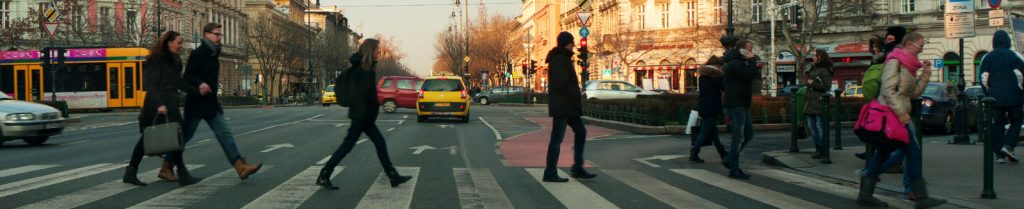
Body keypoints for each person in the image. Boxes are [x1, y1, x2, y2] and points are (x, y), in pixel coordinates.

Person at [163, 23, 262, 182]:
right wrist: (200, 83)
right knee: (184, 137)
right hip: (196, 105)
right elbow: (188, 77)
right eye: (217, 34)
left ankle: (240, 167)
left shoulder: (213, 54)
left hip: (210, 105)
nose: (219, 37)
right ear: (206, 34)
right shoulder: (198, 53)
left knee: (225, 134)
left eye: (220, 34)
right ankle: (166, 166)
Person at [858, 32, 946, 208]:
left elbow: (912, 93)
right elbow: (888, 90)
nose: (921, 50)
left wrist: (925, 74)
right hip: (893, 115)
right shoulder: (894, 61)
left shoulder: (910, 65)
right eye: (920, 46)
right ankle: (921, 197)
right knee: (913, 151)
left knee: (884, 152)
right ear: (910, 44)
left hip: (899, 114)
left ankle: (865, 191)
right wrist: (901, 114)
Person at [316, 39, 413, 190]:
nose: (378, 52)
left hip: (364, 116)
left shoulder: (363, 68)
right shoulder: (365, 71)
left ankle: (392, 175)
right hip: (362, 117)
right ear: (370, 51)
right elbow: (362, 95)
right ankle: (324, 174)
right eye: (377, 50)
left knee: (377, 143)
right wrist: (370, 109)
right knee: (349, 146)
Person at [124, 31, 198, 186]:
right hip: (156, 106)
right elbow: (149, 83)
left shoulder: (175, 60)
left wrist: (196, 91)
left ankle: (180, 172)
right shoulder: (157, 60)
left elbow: (177, 82)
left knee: (175, 139)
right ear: (169, 43)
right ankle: (132, 172)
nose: (181, 46)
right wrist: (159, 104)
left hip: (170, 104)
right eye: (178, 42)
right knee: (148, 140)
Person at [542, 32, 596, 182]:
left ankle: (577, 168)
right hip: (563, 106)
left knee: (580, 132)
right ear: (567, 43)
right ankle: (550, 172)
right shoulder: (560, 60)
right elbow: (562, 83)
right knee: (557, 139)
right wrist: (575, 93)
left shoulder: (561, 58)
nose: (573, 46)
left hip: (567, 106)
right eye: (572, 43)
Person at [980, 30, 1024, 164]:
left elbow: (983, 78)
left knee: (998, 124)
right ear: (1008, 41)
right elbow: (1022, 75)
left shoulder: (987, 57)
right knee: (1016, 121)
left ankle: (999, 154)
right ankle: (1008, 146)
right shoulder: (1014, 55)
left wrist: (988, 94)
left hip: (994, 98)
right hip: (1014, 96)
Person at [722, 39, 759, 180]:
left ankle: (729, 160)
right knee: (738, 137)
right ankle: (734, 168)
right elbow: (749, 75)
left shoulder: (737, 62)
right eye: (749, 50)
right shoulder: (735, 63)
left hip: (741, 103)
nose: (751, 52)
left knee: (748, 134)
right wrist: (752, 60)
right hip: (737, 103)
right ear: (742, 50)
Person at [691, 56, 729, 163]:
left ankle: (722, 152)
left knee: (713, 133)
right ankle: (694, 153)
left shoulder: (702, 76)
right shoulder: (716, 77)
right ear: (717, 65)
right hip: (712, 107)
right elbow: (724, 87)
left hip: (704, 106)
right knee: (704, 132)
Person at [804, 49, 834, 160]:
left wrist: (813, 83)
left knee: (819, 126)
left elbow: (827, 86)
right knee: (812, 127)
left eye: (815, 56)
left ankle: (822, 149)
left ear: (821, 57)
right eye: (813, 56)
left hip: (820, 102)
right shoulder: (811, 68)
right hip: (810, 101)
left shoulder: (824, 70)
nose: (813, 58)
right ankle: (818, 147)